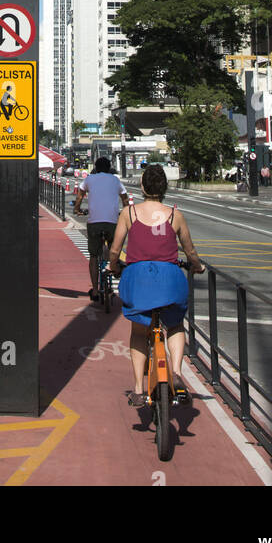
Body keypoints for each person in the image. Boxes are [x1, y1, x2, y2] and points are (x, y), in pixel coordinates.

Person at [108, 164, 204, 407]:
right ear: (165, 187)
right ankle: (177, 373)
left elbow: (115, 250)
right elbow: (190, 250)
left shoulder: (128, 214)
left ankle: (139, 390)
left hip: (138, 279)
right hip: (170, 279)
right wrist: (197, 266)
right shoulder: (175, 215)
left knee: (139, 332)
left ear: (142, 186)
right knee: (174, 325)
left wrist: (113, 266)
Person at [74, 157, 128, 302]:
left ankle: (96, 291)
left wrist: (77, 209)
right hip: (112, 223)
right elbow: (125, 199)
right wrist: (125, 212)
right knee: (114, 251)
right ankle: (115, 267)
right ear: (109, 168)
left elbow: (79, 197)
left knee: (93, 256)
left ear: (96, 168)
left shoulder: (89, 179)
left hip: (94, 223)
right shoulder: (115, 180)